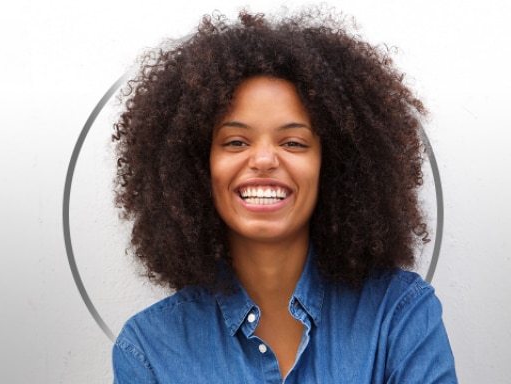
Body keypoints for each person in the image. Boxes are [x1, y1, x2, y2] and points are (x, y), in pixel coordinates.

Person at [111, 7, 457, 383]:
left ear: (335, 164)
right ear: (197, 165)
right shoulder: (148, 350)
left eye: (293, 142)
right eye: (236, 141)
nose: (262, 159)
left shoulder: (399, 317)